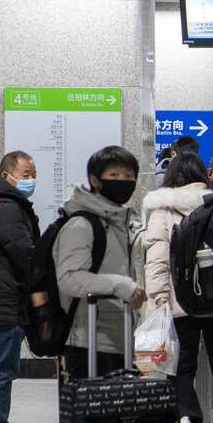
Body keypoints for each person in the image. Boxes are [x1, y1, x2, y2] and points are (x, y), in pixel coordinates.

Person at [142, 152, 213, 423]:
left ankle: (182, 419)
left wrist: (159, 296)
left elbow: (156, 257)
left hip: (181, 297)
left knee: (182, 362)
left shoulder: (163, 209)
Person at [55, 146, 146, 381]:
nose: (122, 182)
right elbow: (70, 278)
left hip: (120, 336)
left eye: (128, 176)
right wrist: (120, 285)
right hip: (89, 340)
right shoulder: (82, 225)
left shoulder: (122, 222)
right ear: (95, 180)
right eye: (114, 176)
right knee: (92, 415)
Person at [0, 150, 40, 423]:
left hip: (7, 297)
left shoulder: (8, 203)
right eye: (26, 175)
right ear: (7, 174)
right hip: (7, 300)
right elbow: (22, 249)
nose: (31, 180)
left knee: (2, 367)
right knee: (2, 368)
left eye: (33, 174)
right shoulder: (8, 207)